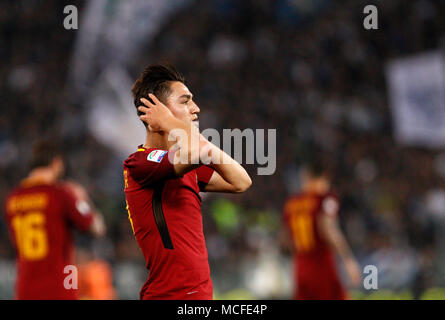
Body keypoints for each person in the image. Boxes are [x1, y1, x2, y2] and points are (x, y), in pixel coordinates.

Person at [123, 64, 252, 300]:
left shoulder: (187, 167)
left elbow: (241, 181)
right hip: (171, 296)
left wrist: (184, 130)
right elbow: (198, 152)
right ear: (156, 114)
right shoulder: (140, 163)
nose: (196, 108)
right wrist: (172, 124)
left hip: (197, 296)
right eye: (185, 101)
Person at [4, 140, 106, 300]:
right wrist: (82, 199)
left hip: (25, 289)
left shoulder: (13, 199)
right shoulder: (61, 194)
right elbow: (96, 228)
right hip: (59, 287)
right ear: (57, 163)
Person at [281, 160, 361, 300]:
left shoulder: (291, 203)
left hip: (300, 265)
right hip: (322, 264)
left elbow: (285, 239)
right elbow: (328, 229)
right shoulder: (324, 198)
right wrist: (348, 259)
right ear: (325, 177)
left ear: (305, 176)